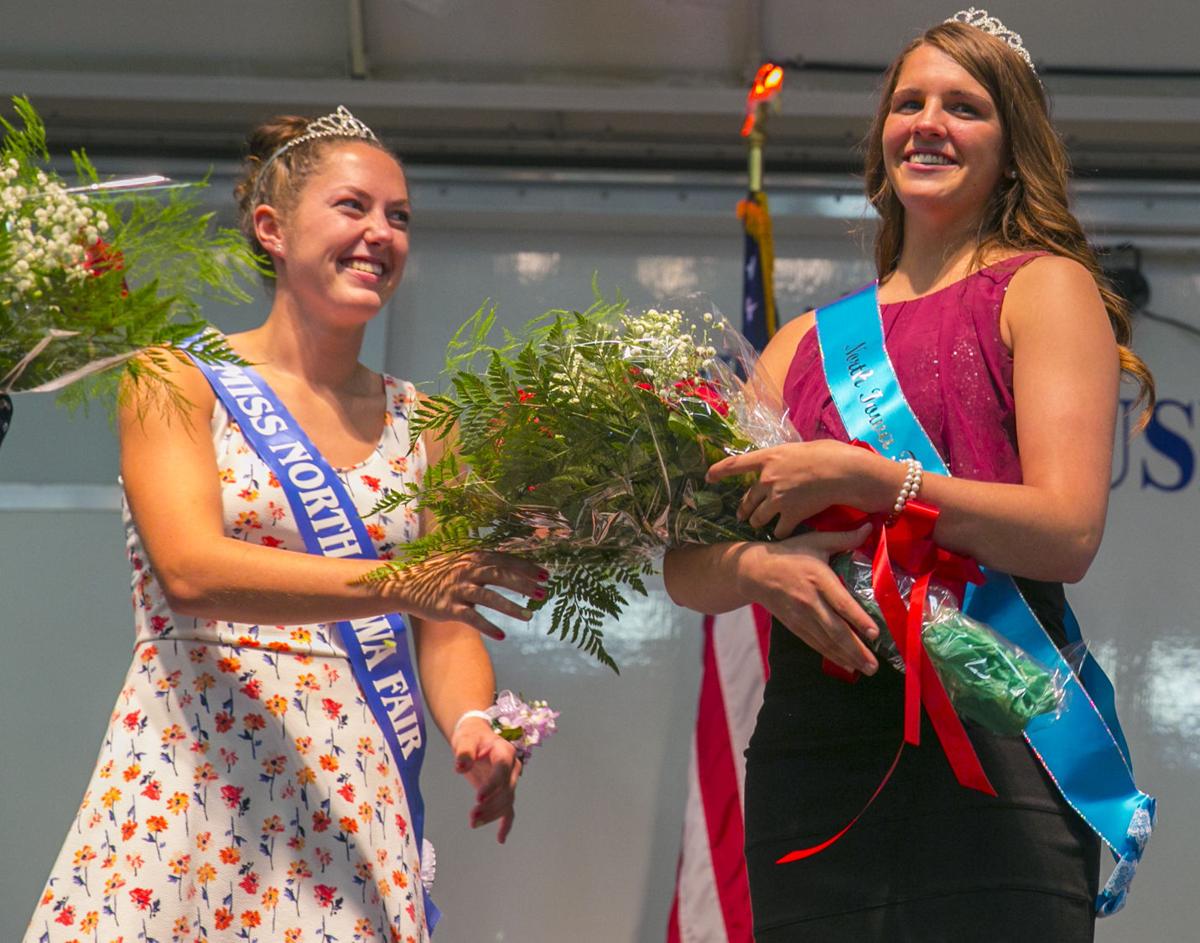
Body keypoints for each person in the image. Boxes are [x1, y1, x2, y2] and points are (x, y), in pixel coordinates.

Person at [664, 12, 1155, 943]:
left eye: (963, 106)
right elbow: (689, 566)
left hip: (998, 741)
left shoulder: (1043, 288)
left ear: (1012, 150)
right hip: (817, 752)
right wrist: (760, 570)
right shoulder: (802, 343)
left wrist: (874, 477)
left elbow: (1066, 530)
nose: (928, 122)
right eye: (909, 103)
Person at [24, 108, 546, 942]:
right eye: (354, 207)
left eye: (399, 217)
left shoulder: (429, 423)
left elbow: (443, 626)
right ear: (271, 227)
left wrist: (478, 726)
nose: (381, 233)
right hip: (192, 776)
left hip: (351, 795)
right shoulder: (176, 378)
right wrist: (394, 580)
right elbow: (192, 570)